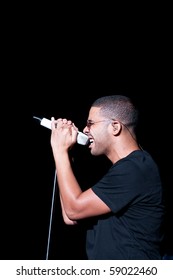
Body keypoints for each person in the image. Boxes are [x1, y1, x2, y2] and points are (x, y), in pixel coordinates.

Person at [50, 94, 164, 260]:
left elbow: (74, 209)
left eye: (91, 124)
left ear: (115, 127)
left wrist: (59, 150)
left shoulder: (135, 168)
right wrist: (65, 155)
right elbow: (70, 216)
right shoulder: (124, 170)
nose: (85, 129)